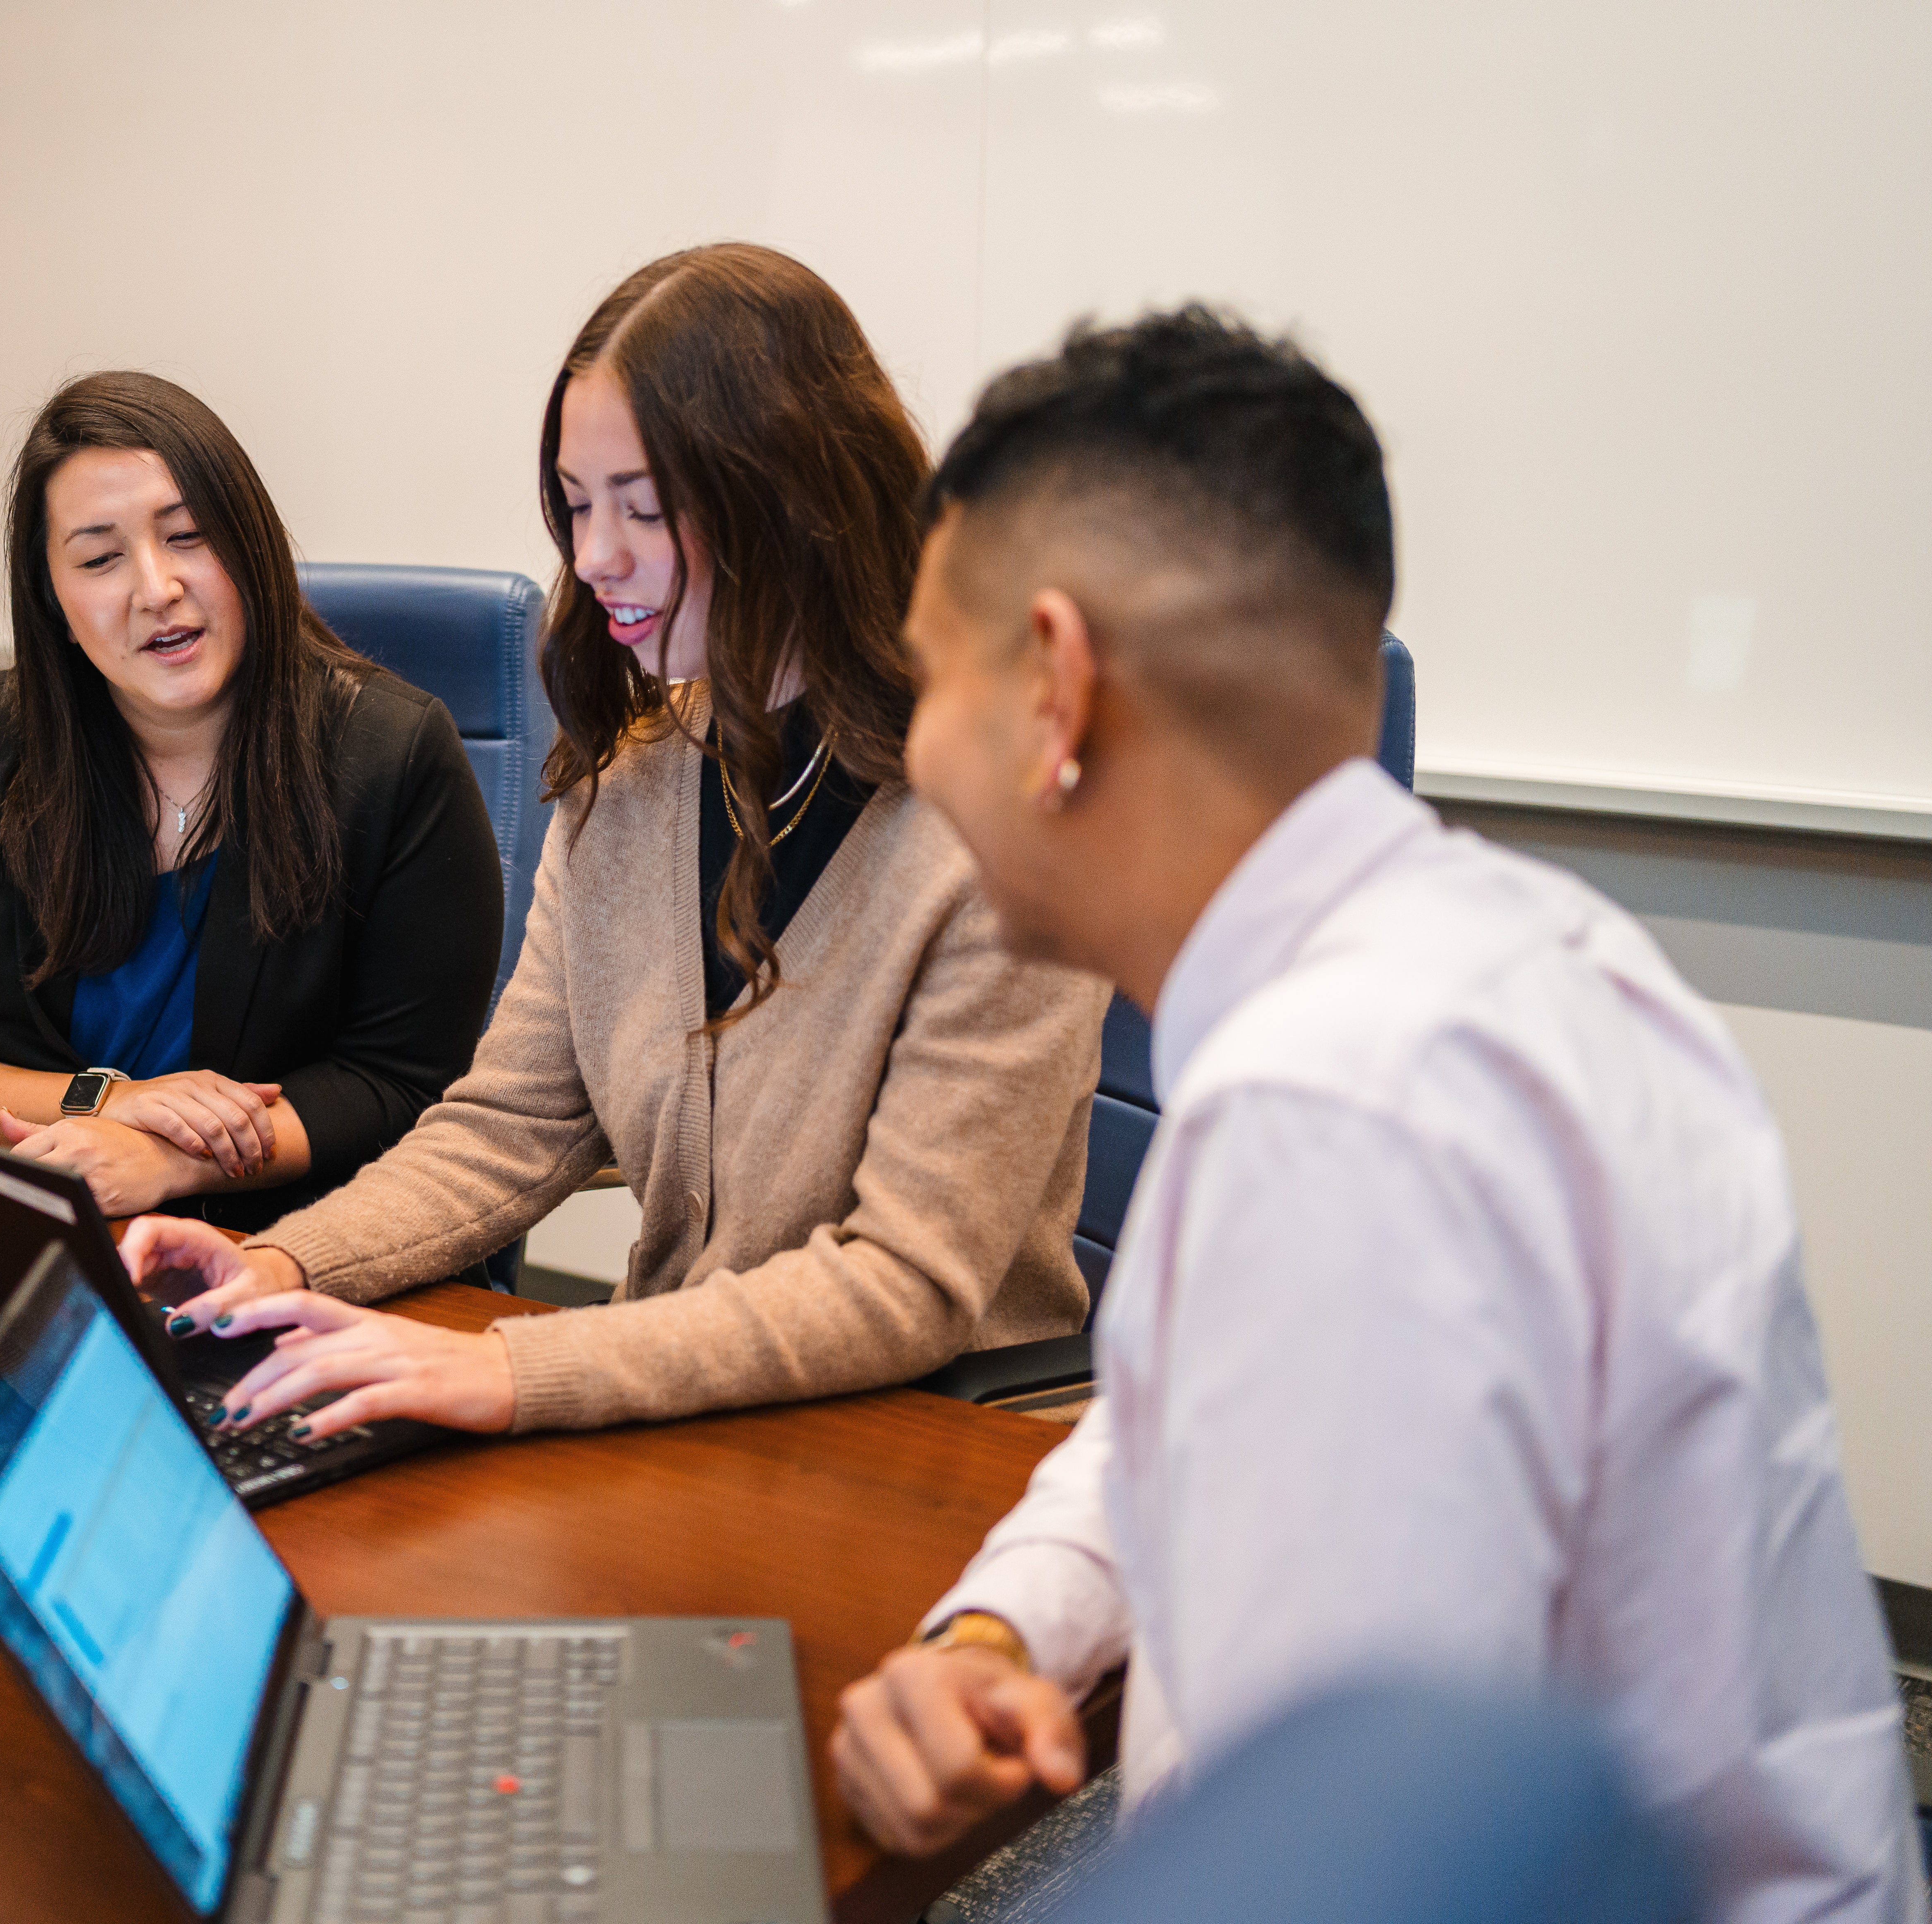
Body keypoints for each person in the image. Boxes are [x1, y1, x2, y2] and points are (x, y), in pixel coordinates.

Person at [829, 308, 1924, 1920]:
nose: (920, 759)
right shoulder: (1501, 956)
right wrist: (1003, 1629)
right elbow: (1165, 1417)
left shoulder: (1339, 1107)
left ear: (1057, 690)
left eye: (932, 682)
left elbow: (1360, 1865)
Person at [122, 243, 1107, 1437]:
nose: (593, 559)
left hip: (914, 1457)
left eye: (643, 507)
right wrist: (281, 1269)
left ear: (796, 500)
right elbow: (510, 1126)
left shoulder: (1002, 838)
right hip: (672, 1422)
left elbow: (903, 1283)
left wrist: (514, 1373)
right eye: (577, 506)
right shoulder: (633, 780)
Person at [0, 371, 504, 1234]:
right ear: (56, 603)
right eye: (100, 558)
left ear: (250, 548)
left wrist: (171, 1157)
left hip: (292, 1250)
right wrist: (103, 1106)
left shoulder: (392, 756)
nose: (155, 587)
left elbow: (404, 1087)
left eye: (189, 537)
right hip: (26, 1242)